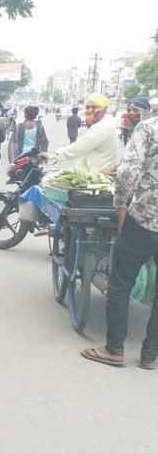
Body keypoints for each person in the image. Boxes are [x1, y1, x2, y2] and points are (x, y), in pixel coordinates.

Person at [81, 114, 158, 369]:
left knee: (120, 284)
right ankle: (150, 355)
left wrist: (120, 206)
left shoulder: (149, 127)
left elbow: (125, 173)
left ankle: (114, 349)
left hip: (145, 220)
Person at [39, 93, 119, 173]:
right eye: (87, 107)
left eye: (94, 107)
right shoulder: (105, 124)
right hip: (92, 171)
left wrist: (52, 156)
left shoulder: (102, 126)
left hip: (96, 176)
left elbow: (79, 147)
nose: (89, 110)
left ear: (103, 109)